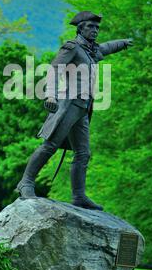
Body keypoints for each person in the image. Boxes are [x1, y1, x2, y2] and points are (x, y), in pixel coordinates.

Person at [15, 11, 133, 210]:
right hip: (68, 103)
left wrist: (123, 42)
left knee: (83, 153)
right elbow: (54, 69)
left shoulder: (91, 51)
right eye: (90, 27)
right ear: (80, 28)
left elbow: (107, 47)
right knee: (50, 145)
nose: (95, 30)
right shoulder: (73, 47)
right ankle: (25, 183)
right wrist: (50, 95)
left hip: (83, 108)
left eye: (97, 28)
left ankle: (78, 196)